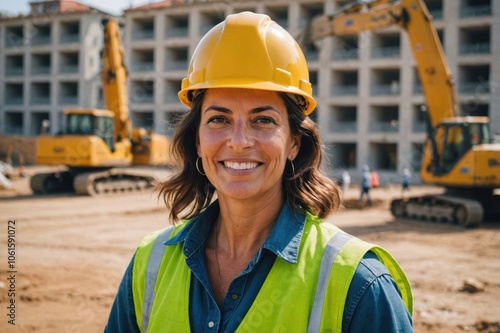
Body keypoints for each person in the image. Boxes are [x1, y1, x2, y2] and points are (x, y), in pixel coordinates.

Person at [105, 12, 412, 332]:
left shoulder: (359, 285)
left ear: (294, 142)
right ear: (197, 140)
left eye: (263, 120)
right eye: (218, 119)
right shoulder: (149, 264)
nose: (238, 143)